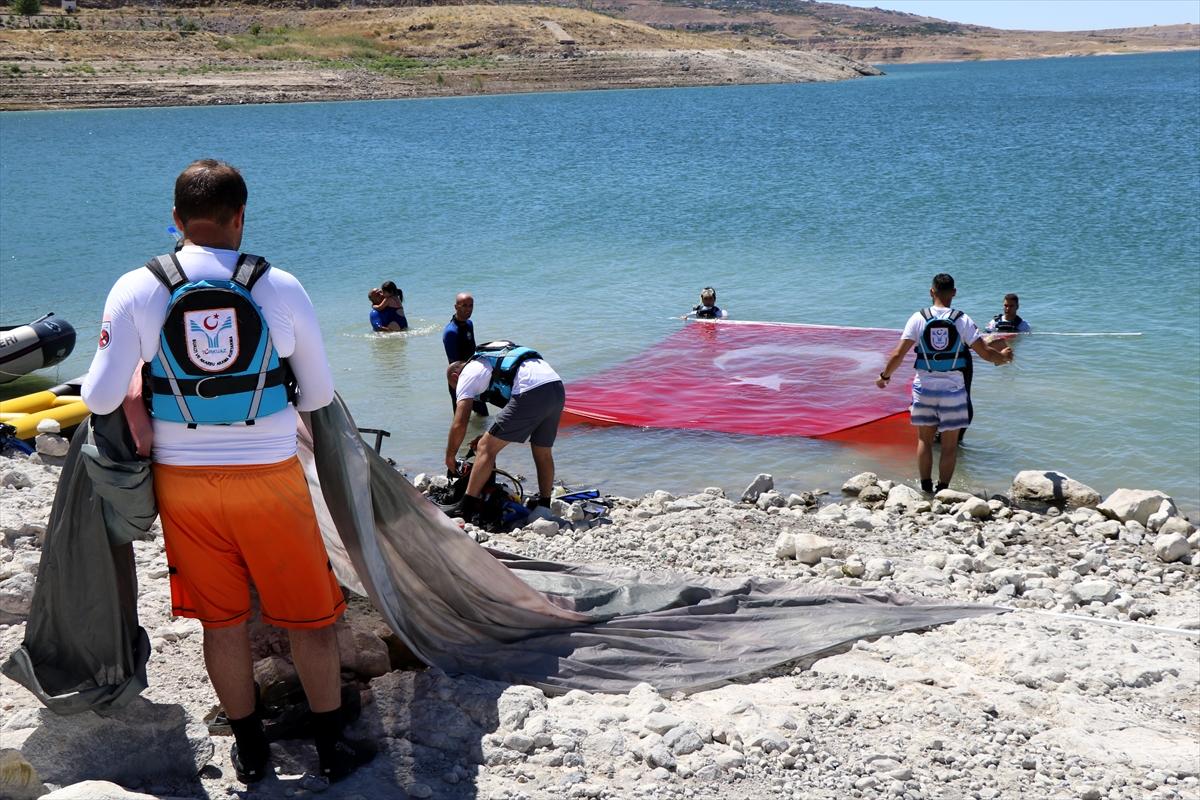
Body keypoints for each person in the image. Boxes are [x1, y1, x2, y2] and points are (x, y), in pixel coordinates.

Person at [81, 160, 374, 784]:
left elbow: (98, 400)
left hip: (183, 487)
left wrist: (140, 376)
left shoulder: (135, 287)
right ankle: (330, 750)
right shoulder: (280, 285)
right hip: (269, 476)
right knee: (311, 620)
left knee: (223, 621)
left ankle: (249, 749)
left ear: (176, 220)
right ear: (241, 216)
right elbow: (318, 395)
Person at [875, 273, 1013, 493]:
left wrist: (884, 377)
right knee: (950, 446)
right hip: (954, 390)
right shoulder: (962, 319)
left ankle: (926, 488)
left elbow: (897, 354)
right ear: (954, 293)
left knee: (924, 441)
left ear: (932, 292)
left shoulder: (918, 318)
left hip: (924, 388)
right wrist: (1004, 358)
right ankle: (944, 491)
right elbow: (986, 353)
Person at [445, 341, 565, 521]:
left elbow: (460, 422)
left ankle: (465, 508)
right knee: (542, 450)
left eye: (453, 387)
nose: (457, 390)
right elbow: (512, 414)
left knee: (485, 447)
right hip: (556, 387)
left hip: (530, 390)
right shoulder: (488, 361)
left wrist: (450, 456)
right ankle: (544, 506)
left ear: (455, 376)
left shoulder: (466, 374)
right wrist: (487, 435)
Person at [442, 292, 487, 416]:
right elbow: (454, 364)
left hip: (474, 377)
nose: (468, 309)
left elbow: (473, 349)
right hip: (458, 380)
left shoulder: (469, 324)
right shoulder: (451, 332)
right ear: (456, 307)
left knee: (483, 416)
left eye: (471, 305)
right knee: (460, 421)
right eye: (464, 305)